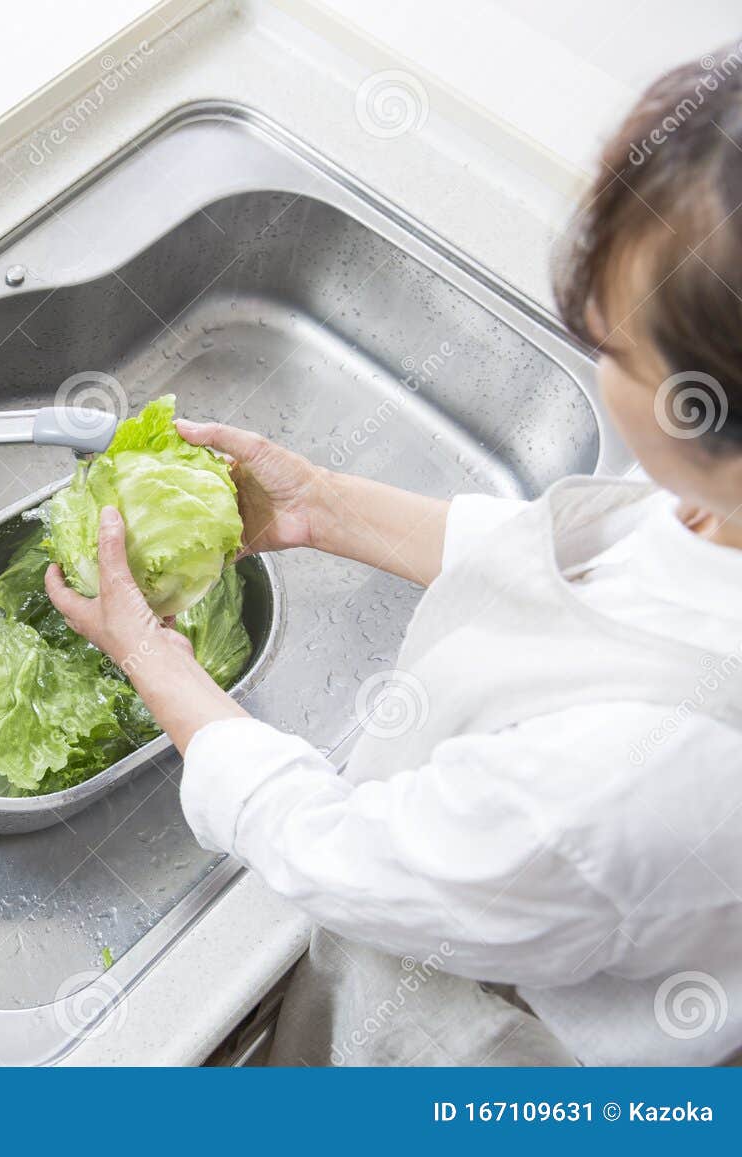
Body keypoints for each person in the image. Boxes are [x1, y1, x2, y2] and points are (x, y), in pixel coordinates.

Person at [46, 50, 742, 1066]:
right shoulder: (715, 510)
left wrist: (152, 658)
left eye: (617, 346)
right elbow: (582, 571)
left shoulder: (636, 772)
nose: (591, 339)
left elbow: (339, 852)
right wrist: (324, 507)